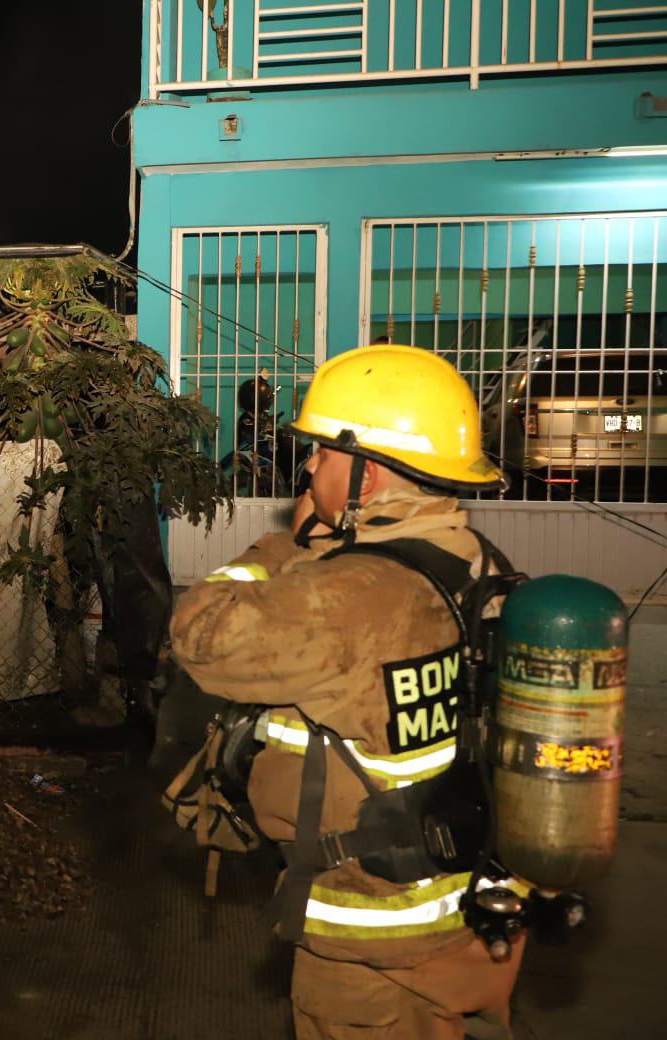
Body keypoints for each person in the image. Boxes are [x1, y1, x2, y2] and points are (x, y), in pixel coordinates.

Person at [170, 344, 523, 1039]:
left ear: (367, 471)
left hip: (373, 938)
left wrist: (283, 550)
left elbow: (200, 636)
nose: (307, 467)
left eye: (323, 453)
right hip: (464, 908)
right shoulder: (471, 560)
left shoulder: (352, 596)